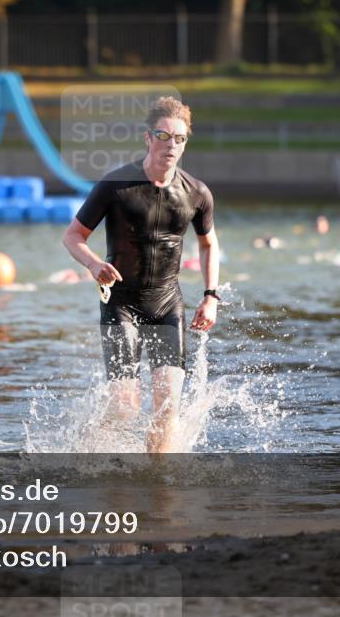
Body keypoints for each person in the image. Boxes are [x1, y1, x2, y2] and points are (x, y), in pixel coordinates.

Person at [62, 96, 219, 453]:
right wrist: (93, 264)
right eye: (163, 136)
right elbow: (72, 236)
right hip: (121, 304)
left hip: (167, 306)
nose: (171, 145)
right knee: (125, 407)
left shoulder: (196, 193)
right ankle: (85, 450)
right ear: (148, 138)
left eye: (179, 138)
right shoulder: (116, 185)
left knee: (167, 411)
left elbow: (209, 244)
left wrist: (210, 296)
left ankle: (156, 482)